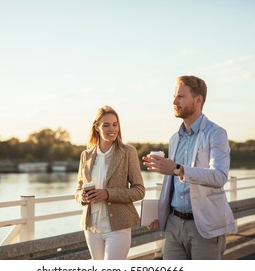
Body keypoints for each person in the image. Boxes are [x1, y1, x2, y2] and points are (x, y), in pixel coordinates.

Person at [142, 75, 236, 260]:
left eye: (180, 97)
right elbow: (172, 187)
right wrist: (161, 214)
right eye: (174, 96)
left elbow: (219, 177)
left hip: (204, 227)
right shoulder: (174, 139)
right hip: (174, 225)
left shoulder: (216, 133)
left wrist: (178, 169)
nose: (174, 101)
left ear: (198, 100)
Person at [75, 105, 145, 260]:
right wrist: (82, 197)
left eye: (115, 124)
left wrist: (107, 194)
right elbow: (78, 189)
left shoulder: (128, 152)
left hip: (118, 227)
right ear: (97, 128)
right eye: (106, 125)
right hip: (91, 227)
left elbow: (139, 190)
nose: (112, 129)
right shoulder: (85, 155)